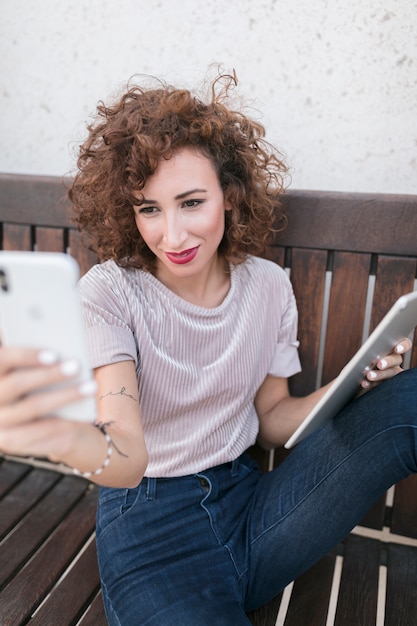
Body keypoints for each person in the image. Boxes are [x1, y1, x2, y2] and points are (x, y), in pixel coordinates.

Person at [0, 72, 415, 625]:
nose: (171, 235)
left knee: (406, 397)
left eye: (191, 202)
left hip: (256, 506)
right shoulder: (110, 292)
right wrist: (59, 433)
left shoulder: (266, 285)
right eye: (149, 209)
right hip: (150, 526)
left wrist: (357, 387)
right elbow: (125, 453)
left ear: (230, 194)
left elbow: (271, 418)